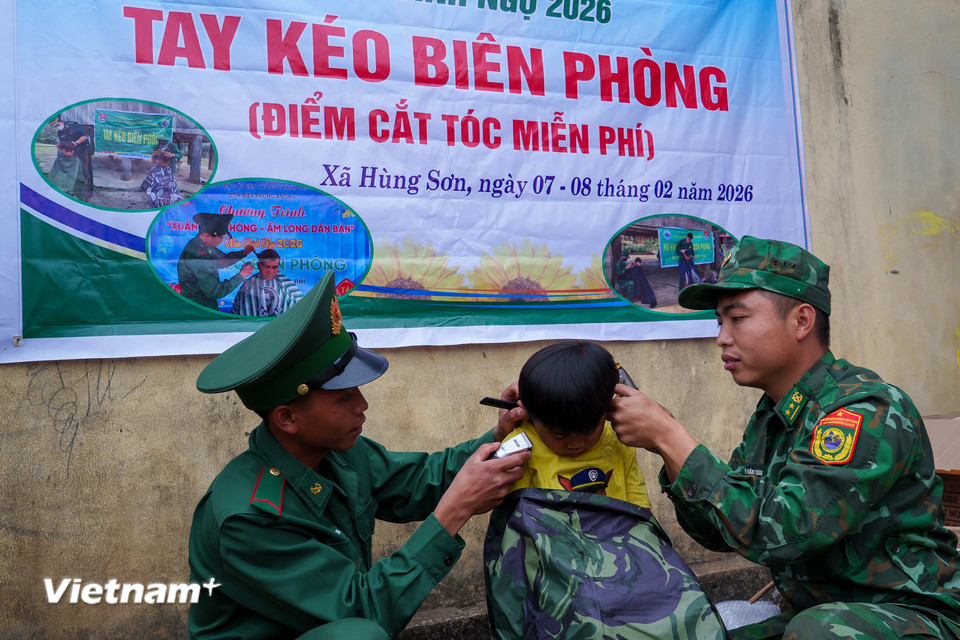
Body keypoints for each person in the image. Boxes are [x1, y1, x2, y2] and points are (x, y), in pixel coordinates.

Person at [608, 236, 960, 639]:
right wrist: (665, 448)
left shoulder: (863, 411)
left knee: (815, 632)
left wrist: (673, 438)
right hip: (824, 617)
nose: (721, 337)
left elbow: (784, 534)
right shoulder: (775, 416)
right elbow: (723, 533)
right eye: (719, 322)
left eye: (737, 319)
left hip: (912, 616)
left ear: (802, 321)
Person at [188, 270, 530, 639]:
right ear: (287, 418)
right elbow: (360, 610)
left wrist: (501, 435)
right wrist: (455, 512)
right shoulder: (249, 518)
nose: (362, 405)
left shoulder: (336, 453)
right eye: (344, 397)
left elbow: (419, 481)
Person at [509, 341, 651, 507]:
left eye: (589, 431)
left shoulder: (619, 438)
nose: (576, 444)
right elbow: (514, 517)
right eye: (558, 435)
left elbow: (639, 508)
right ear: (526, 413)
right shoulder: (521, 449)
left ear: (607, 409)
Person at [177, 212, 254, 311]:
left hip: (202, 306)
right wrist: (241, 275)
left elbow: (222, 260)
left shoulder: (203, 246)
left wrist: (243, 253)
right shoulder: (199, 255)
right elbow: (215, 291)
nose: (222, 240)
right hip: (200, 310)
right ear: (207, 235)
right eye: (220, 236)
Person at [231, 248, 305, 316]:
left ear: (278, 266)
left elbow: (303, 306)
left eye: (275, 267)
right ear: (259, 265)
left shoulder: (285, 283)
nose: (271, 271)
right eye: (267, 267)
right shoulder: (248, 286)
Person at [50, 114, 94, 200]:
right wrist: (60, 146)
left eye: (57, 125)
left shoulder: (73, 125)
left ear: (61, 121)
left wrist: (76, 143)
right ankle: (75, 190)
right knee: (75, 171)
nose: (56, 127)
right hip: (73, 152)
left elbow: (84, 136)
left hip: (83, 150)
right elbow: (64, 145)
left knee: (86, 170)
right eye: (54, 126)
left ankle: (89, 191)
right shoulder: (60, 133)